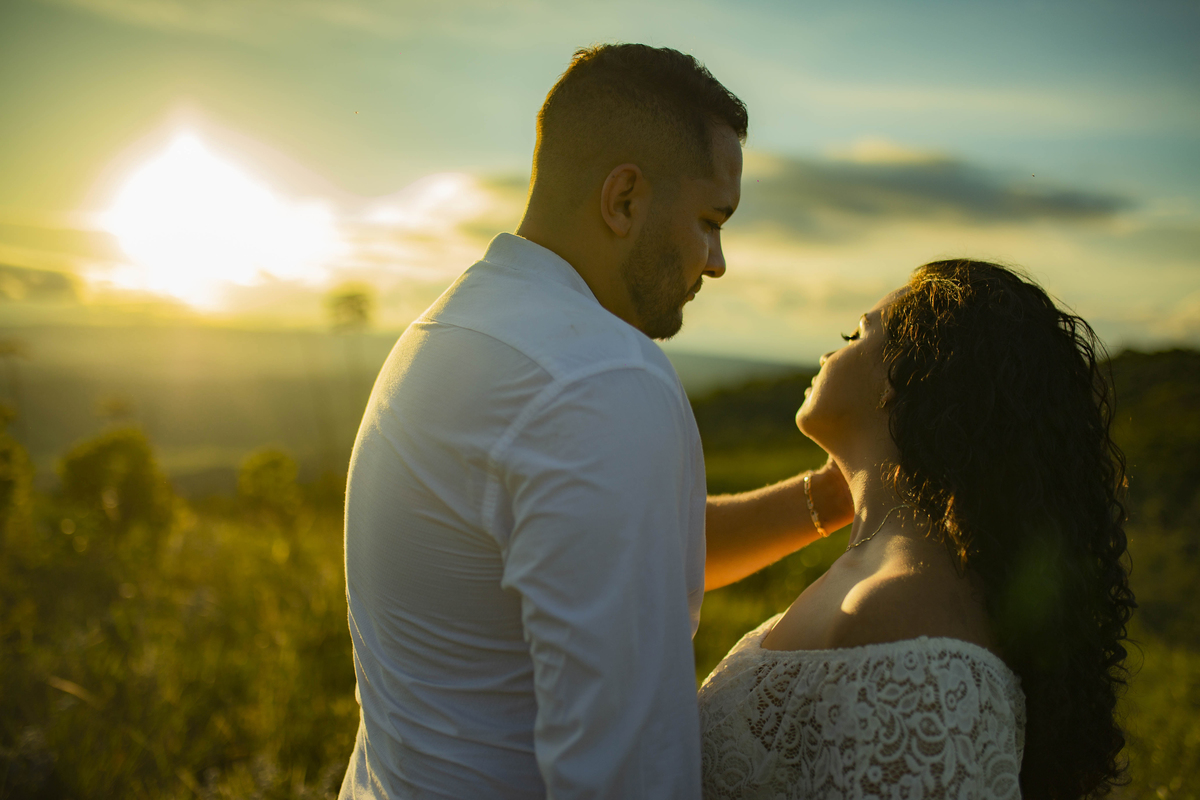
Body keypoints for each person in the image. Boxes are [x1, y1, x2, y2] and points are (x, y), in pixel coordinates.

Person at [340, 44, 852, 799]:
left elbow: (624, 544)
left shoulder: (457, 325)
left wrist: (840, 495)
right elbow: (628, 769)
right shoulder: (603, 378)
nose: (716, 262)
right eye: (711, 220)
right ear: (624, 200)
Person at [698, 260, 1136, 800]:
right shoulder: (881, 581)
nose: (829, 353)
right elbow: (669, 545)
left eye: (855, 334)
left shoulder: (908, 617)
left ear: (913, 375)